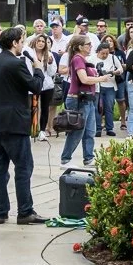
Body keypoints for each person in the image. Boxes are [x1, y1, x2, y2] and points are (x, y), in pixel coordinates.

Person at [0, 27, 48, 225]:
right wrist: (38, 68)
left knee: (0, 168)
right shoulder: (16, 64)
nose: (22, 44)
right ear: (14, 43)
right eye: (21, 41)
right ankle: (25, 211)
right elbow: (36, 87)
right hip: (14, 123)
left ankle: (1, 212)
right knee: (23, 167)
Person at [60, 34, 99, 166]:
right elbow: (84, 79)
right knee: (77, 131)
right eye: (88, 44)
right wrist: (101, 79)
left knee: (90, 131)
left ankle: (89, 158)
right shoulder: (77, 59)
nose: (91, 46)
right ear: (80, 47)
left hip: (88, 99)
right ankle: (65, 159)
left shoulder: (83, 59)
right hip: (78, 99)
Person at [26, 34, 57, 141]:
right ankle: (30, 131)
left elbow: (52, 72)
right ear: (35, 42)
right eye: (38, 41)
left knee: (45, 107)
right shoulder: (29, 53)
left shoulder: (49, 54)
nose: (40, 43)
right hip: (33, 84)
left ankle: (42, 131)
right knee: (32, 108)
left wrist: (50, 63)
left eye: (43, 41)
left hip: (47, 85)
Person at [90, 38, 123, 136]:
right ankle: (97, 128)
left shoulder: (113, 57)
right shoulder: (91, 58)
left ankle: (109, 128)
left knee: (109, 107)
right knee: (97, 108)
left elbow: (120, 68)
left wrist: (115, 72)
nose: (105, 55)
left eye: (107, 53)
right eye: (103, 53)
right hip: (97, 86)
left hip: (110, 86)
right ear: (98, 52)